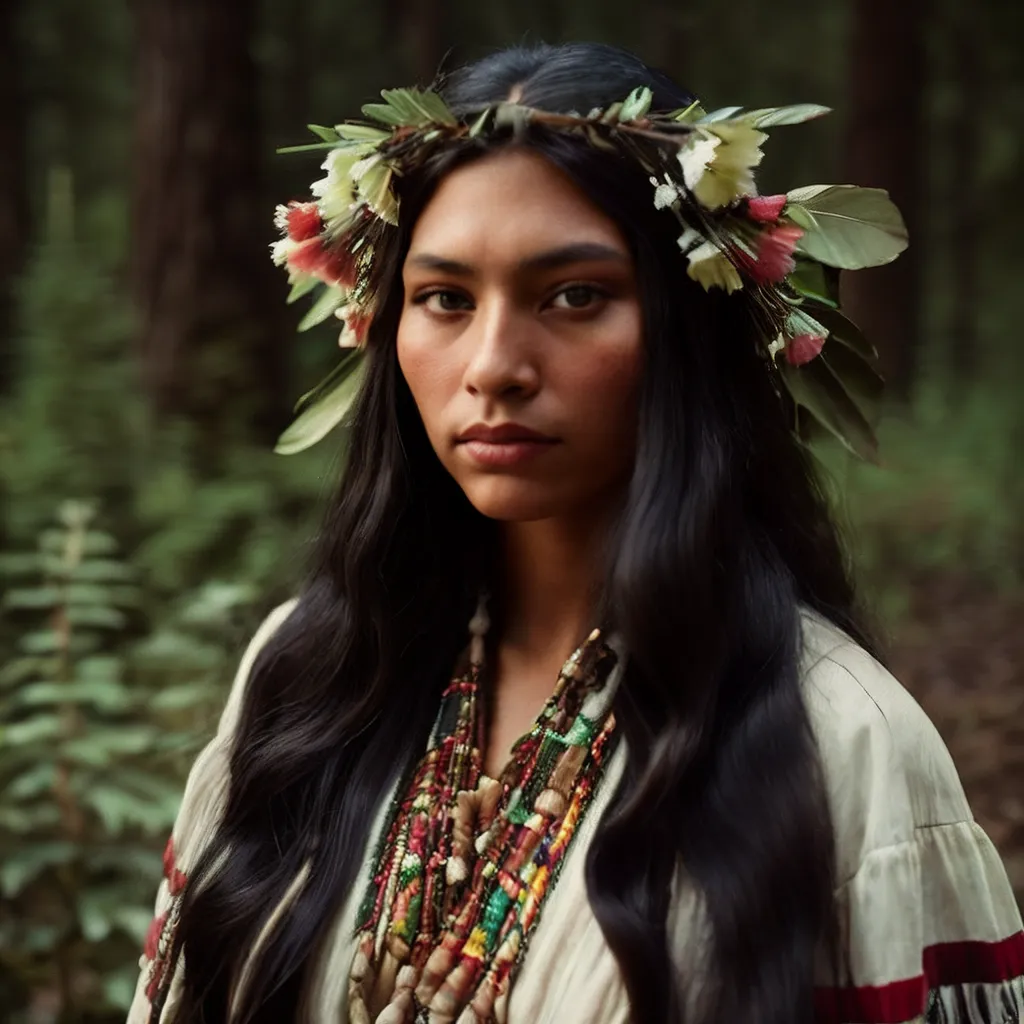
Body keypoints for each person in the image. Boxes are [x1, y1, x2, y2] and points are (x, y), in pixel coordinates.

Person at [127, 42, 1024, 1024]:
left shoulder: (840, 741)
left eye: (574, 295)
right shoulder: (311, 674)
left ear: (690, 327)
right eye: (444, 299)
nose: (494, 364)